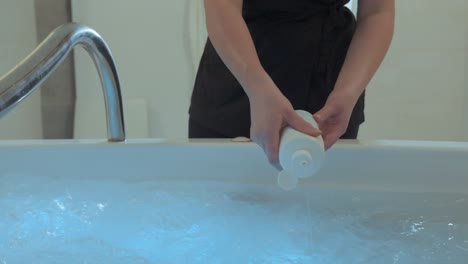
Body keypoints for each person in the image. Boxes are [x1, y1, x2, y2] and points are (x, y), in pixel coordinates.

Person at [188, 0, 394, 169]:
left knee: (324, 209)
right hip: (239, 81)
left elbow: (377, 12)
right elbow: (221, 6)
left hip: (331, 86)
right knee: (221, 206)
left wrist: (348, 92)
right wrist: (258, 90)